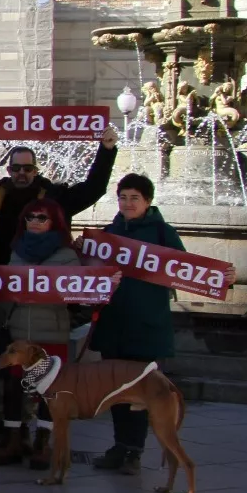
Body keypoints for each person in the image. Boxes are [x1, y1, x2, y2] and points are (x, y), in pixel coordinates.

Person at [0, 121, 118, 462]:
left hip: (45, 305)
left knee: (45, 369)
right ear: (7, 169)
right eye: (16, 168)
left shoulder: (53, 197)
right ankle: (7, 427)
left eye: (27, 168)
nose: (21, 173)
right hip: (0, 294)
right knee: (5, 365)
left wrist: (107, 150)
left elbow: (94, 188)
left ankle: (40, 434)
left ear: (36, 170)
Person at [88, 174, 184, 475]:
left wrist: (224, 278)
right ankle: (120, 446)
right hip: (114, 323)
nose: (128, 203)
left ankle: (134, 451)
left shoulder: (163, 233)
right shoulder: (108, 234)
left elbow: (188, 270)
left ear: (147, 201)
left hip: (145, 326)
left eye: (135, 198)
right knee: (115, 390)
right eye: (123, 197)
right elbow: (91, 272)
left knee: (140, 392)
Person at [0, 198, 82, 470]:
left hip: (52, 332)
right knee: (13, 388)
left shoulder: (67, 255)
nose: (34, 221)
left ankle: (43, 442)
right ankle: (13, 437)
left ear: (54, 223)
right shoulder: (17, 251)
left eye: (41, 218)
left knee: (50, 391)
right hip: (21, 330)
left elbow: (79, 292)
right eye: (29, 217)